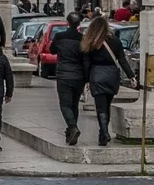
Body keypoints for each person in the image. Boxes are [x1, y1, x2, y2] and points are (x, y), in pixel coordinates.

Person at [81, 16, 136, 146]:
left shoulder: (90, 42)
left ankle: (104, 132)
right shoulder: (115, 41)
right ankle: (103, 134)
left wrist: (86, 80)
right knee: (107, 105)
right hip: (112, 75)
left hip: (97, 74)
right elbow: (122, 60)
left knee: (100, 107)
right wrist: (131, 76)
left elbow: (86, 63)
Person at [51, 13, 87, 145]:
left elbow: (52, 50)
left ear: (67, 22)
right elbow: (85, 58)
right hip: (79, 75)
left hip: (64, 74)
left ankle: (72, 127)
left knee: (65, 104)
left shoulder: (59, 36)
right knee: (74, 104)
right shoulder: (82, 38)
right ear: (79, 24)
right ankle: (71, 131)